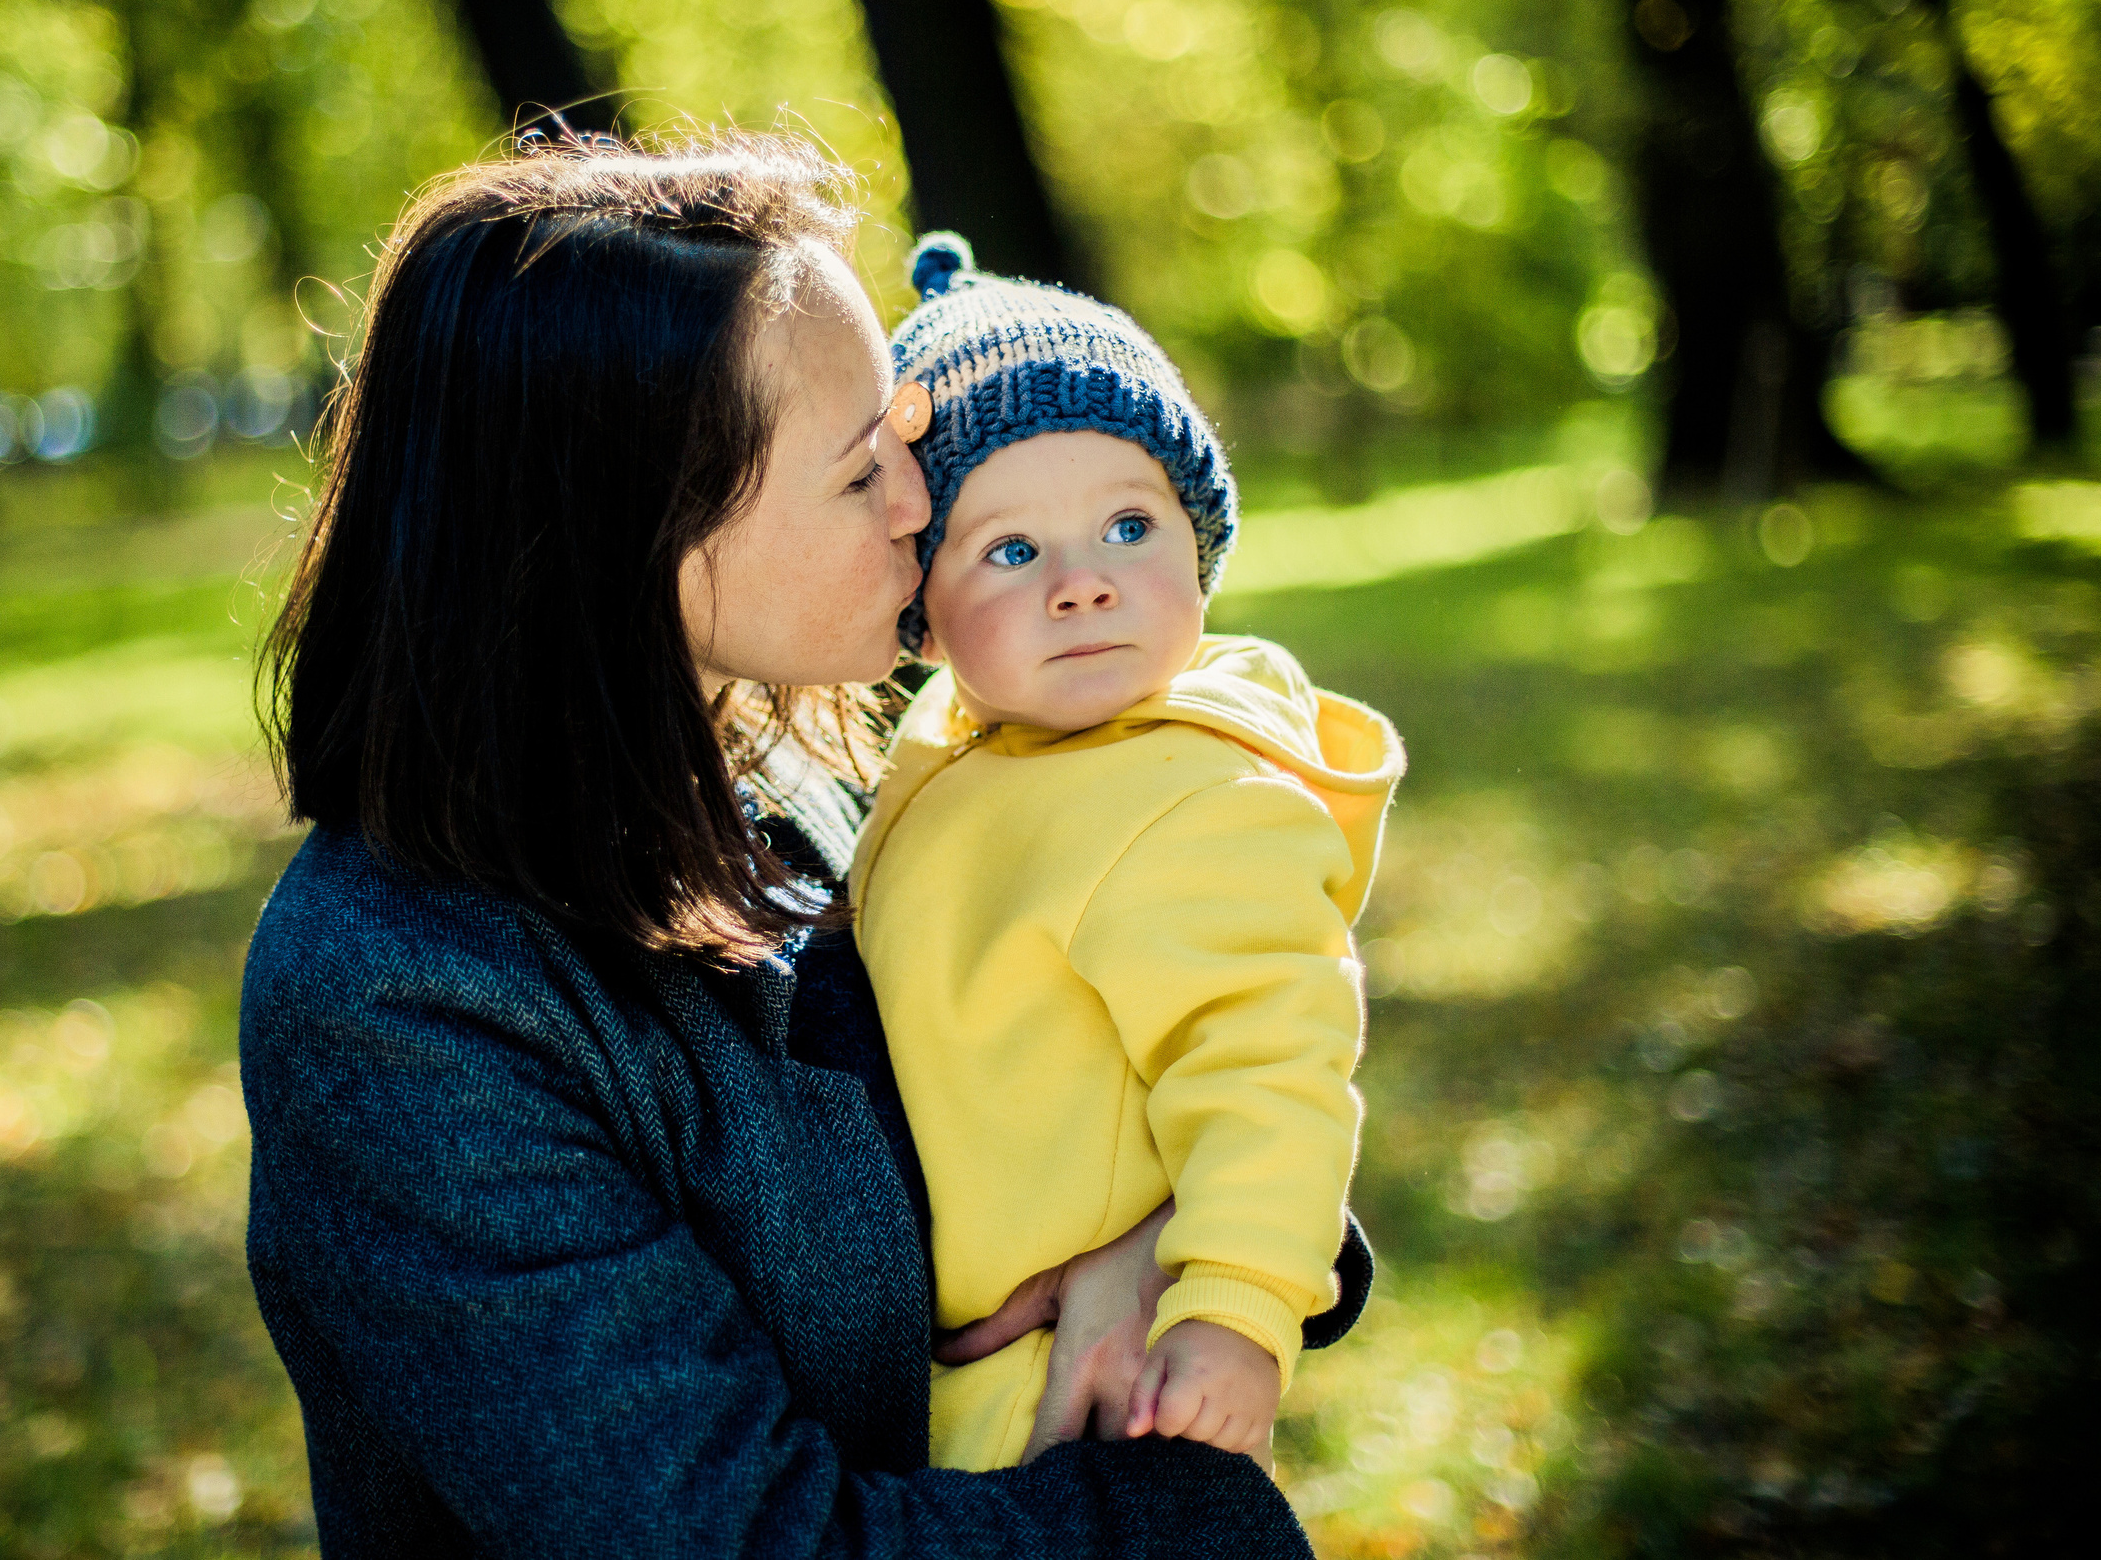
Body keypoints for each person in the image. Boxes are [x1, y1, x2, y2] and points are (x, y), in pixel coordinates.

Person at [241, 131, 1359, 1555]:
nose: (922, 503)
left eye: (905, 442)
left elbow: (1178, 1030)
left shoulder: (820, 786)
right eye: (860, 473)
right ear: (636, 531)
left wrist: (1166, 1256)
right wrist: (1193, 1513)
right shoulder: (396, 998)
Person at [851, 236, 1402, 1474]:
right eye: (1009, 551)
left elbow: (1273, 1065)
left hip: (1098, 1381)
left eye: (1126, 526)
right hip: (957, 1370)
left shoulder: (1196, 800)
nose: (1082, 585)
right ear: (921, 621)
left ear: (1198, 549)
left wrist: (1236, 1312)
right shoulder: (951, 751)